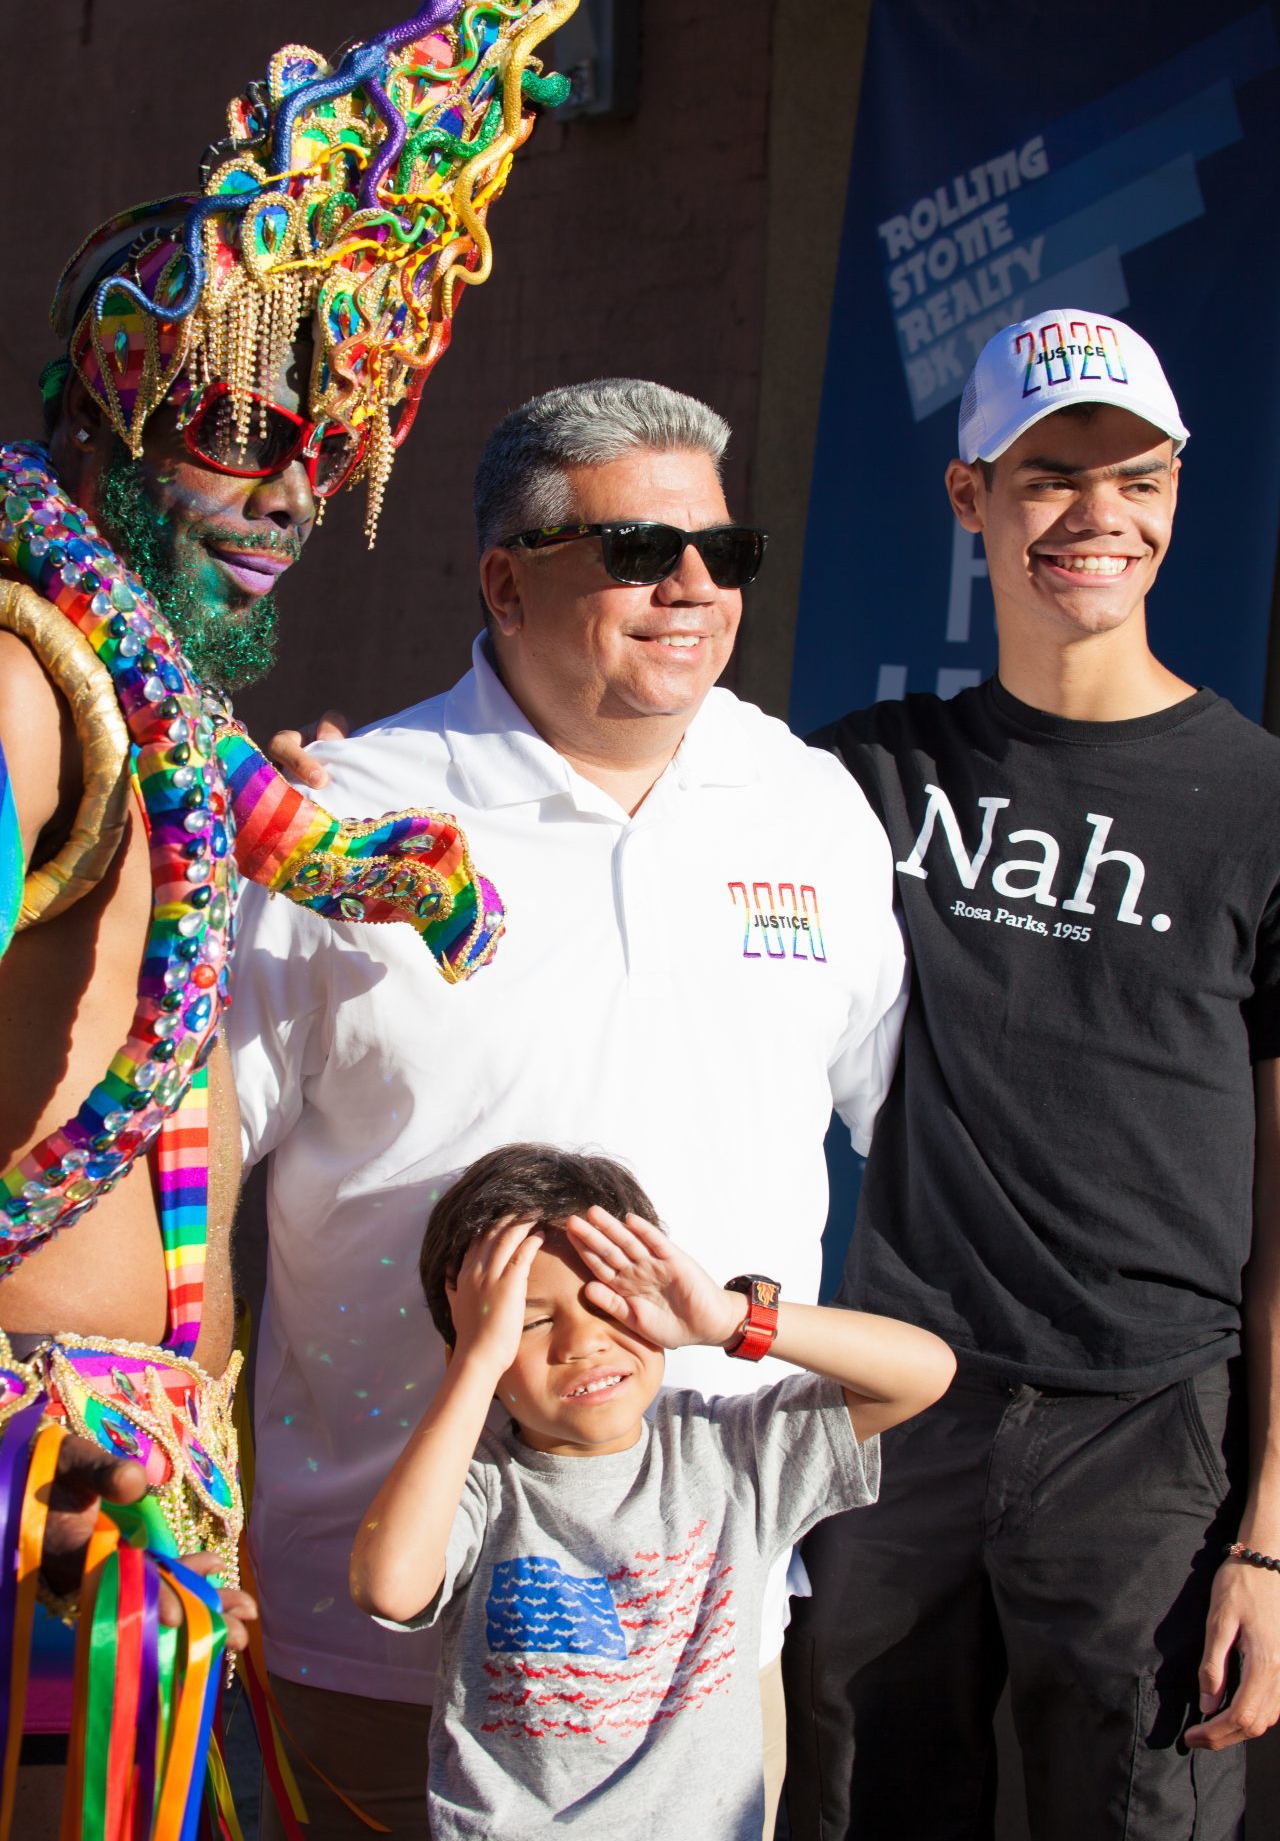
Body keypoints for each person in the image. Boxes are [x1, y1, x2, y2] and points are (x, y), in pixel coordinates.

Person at [0, 0, 576, 1834]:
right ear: (116, 403)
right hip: (40, 1490)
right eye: (241, 425)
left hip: (149, 1491)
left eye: (325, 449)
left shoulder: (166, 706)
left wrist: (346, 855)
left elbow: (227, 864)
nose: (284, 493)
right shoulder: (28, 674)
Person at [230, 375, 910, 1836]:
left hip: (703, 1654)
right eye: (634, 553)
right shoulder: (350, 819)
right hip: (385, 1632)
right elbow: (190, 1166)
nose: (689, 589)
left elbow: (898, 1135)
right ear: (506, 578)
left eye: (723, 556)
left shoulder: (811, 810)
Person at [785, 308, 1280, 1839]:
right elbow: (611, 808)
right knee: (864, 1808)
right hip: (897, 1410)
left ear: (1179, 494)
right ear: (968, 498)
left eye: (1135, 478)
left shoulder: (1261, 802)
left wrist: (1268, 1534)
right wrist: (389, 809)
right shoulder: (863, 773)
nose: (1096, 518)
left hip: (1155, 1440)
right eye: (1049, 475)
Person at [348, 1142, 954, 1839]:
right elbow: (388, 1586)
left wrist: (728, 1319)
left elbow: (924, 1372)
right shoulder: (473, 1476)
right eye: (532, 1321)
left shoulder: (731, 1449)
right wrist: (474, 1364)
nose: (584, 1343)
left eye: (612, 1303)